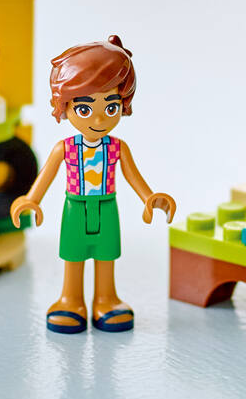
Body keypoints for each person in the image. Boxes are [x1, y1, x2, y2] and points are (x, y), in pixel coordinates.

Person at [10, 35, 175, 334]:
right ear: (65, 106)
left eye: (111, 108)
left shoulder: (117, 148)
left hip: (107, 208)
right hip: (75, 209)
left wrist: (150, 198)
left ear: (123, 104)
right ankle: (70, 300)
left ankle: (106, 300)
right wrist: (31, 200)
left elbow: (134, 177)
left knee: (106, 255)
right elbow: (45, 177)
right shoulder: (65, 148)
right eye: (85, 109)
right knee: (73, 256)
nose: (99, 119)